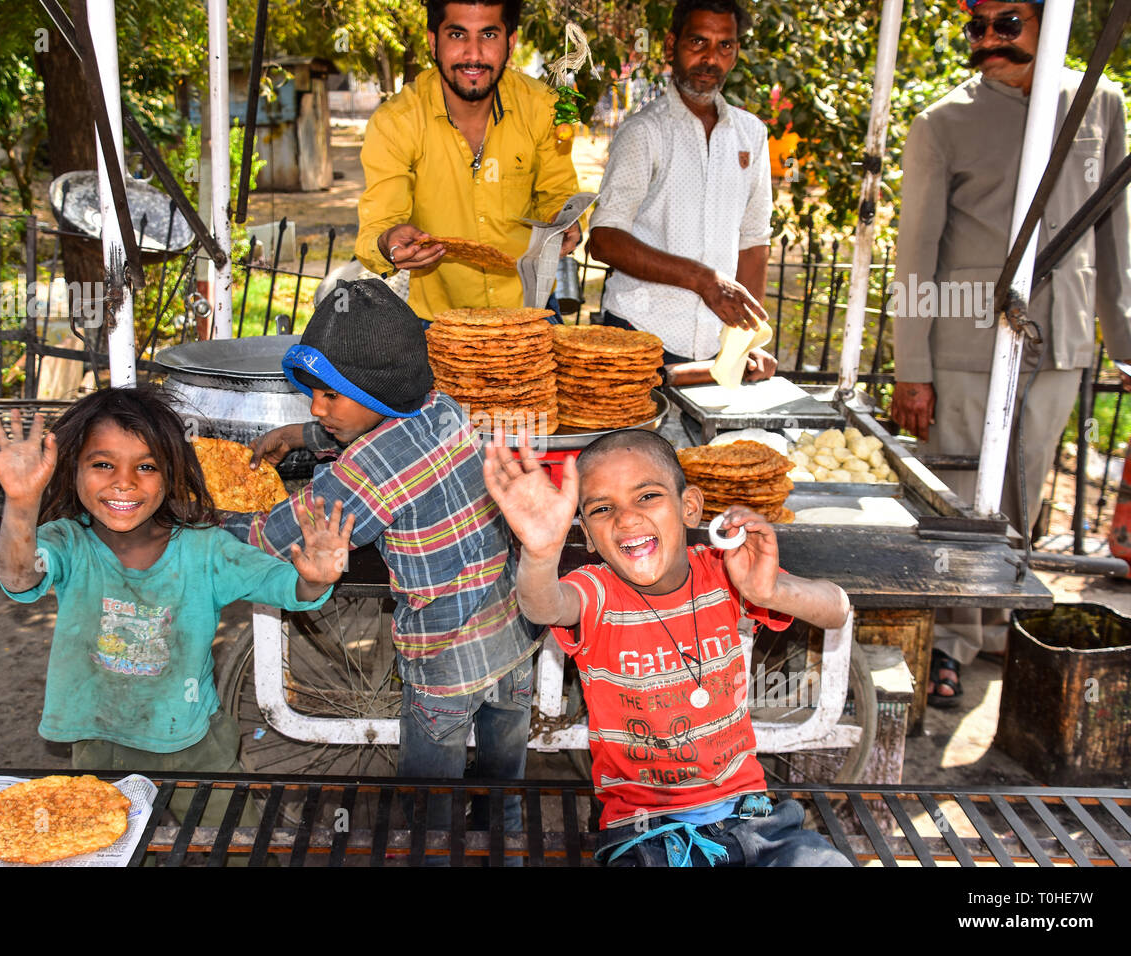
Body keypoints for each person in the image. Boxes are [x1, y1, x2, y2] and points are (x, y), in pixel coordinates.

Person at [890, 0, 1131, 707]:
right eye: (978, 28)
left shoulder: (1100, 102)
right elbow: (915, 252)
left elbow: (1115, 235)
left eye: (1008, 23)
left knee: (1019, 498)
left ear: (1047, 23)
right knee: (965, 498)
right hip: (967, 339)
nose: (989, 41)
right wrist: (913, 367)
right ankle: (951, 638)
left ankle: (1001, 626)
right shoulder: (943, 123)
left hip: (1060, 337)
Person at [229, 278, 543, 842]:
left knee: (429, 802)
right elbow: (393, 437)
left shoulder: (369, 468)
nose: (316, 408)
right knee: (504, 786)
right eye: (313, 396)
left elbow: (275, 537)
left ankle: (434, 848)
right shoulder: (441, 404)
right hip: (515, 632)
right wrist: (304, 435)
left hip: (444, 660)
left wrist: (200, 520)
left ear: (377, 394)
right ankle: (506, 843)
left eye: (330, 397)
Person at [0, 388, 351, 825]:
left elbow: (286, 586)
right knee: (112, 846)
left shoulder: (205, 549)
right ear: (73, 470)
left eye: (147, 467)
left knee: (235, 844)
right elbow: (20, 576)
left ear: (172, 474)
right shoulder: (68, 541)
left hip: (193, 745)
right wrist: (21, 504)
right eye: (103, 464)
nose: (124, 481)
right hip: (97, 740)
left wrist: (313, 577)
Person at [483, 427, 852, 866]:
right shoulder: (596, 592)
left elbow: (837, 608)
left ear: (689, 507)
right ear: (586, 533)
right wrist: (540, 553)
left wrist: (771, 591)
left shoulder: (724, 572)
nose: (626, 518)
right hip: (645, 835)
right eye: (602, 508)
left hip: (752, 820)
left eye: (647, 496)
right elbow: (542, 604)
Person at [354, 0, 583, 320]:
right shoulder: (397, 121)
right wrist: (387, 242)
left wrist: (564, 221)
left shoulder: (542, 109)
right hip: (438, 323)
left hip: (531, 311)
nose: (473, 54)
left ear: (510, 43)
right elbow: (378, 225)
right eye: (458, 35)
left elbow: (557, 193)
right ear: (434, 42)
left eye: (488, 35)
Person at [587, 0, 777, 380]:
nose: (711, 58)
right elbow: (604, 240)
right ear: (671, 45)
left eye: (725, 45)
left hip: (716, 345)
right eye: (698, 42)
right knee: (637, 441)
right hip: (638, 335)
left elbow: (753, 244)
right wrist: (702, 279)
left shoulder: (751, 135)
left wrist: (748, 338)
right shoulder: (645, 132)